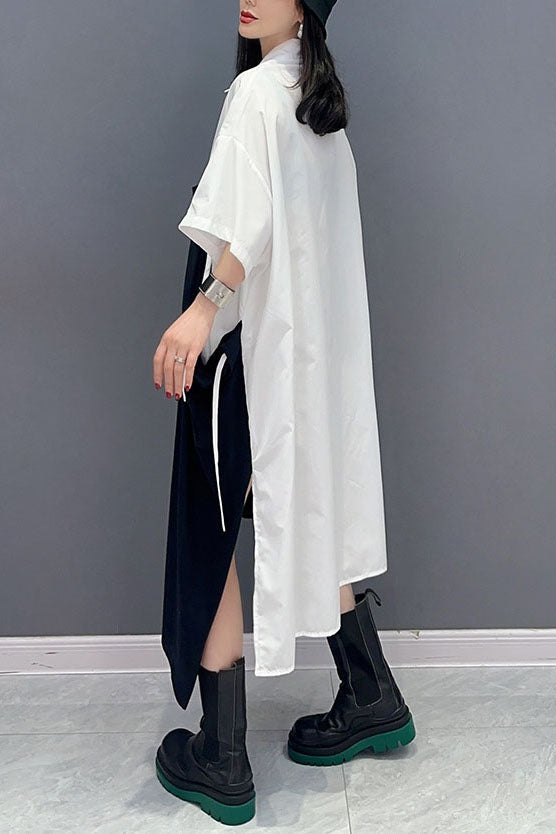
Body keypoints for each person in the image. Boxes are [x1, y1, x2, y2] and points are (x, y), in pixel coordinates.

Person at [152, 0, 415, 825]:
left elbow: (250, 227)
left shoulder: (259, 94)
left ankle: (222, 756)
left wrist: (201, 311)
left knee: (208, 529)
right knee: (299, 505)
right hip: (299, 361)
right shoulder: (316, 103)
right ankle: (371, 694)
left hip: (242, 352)